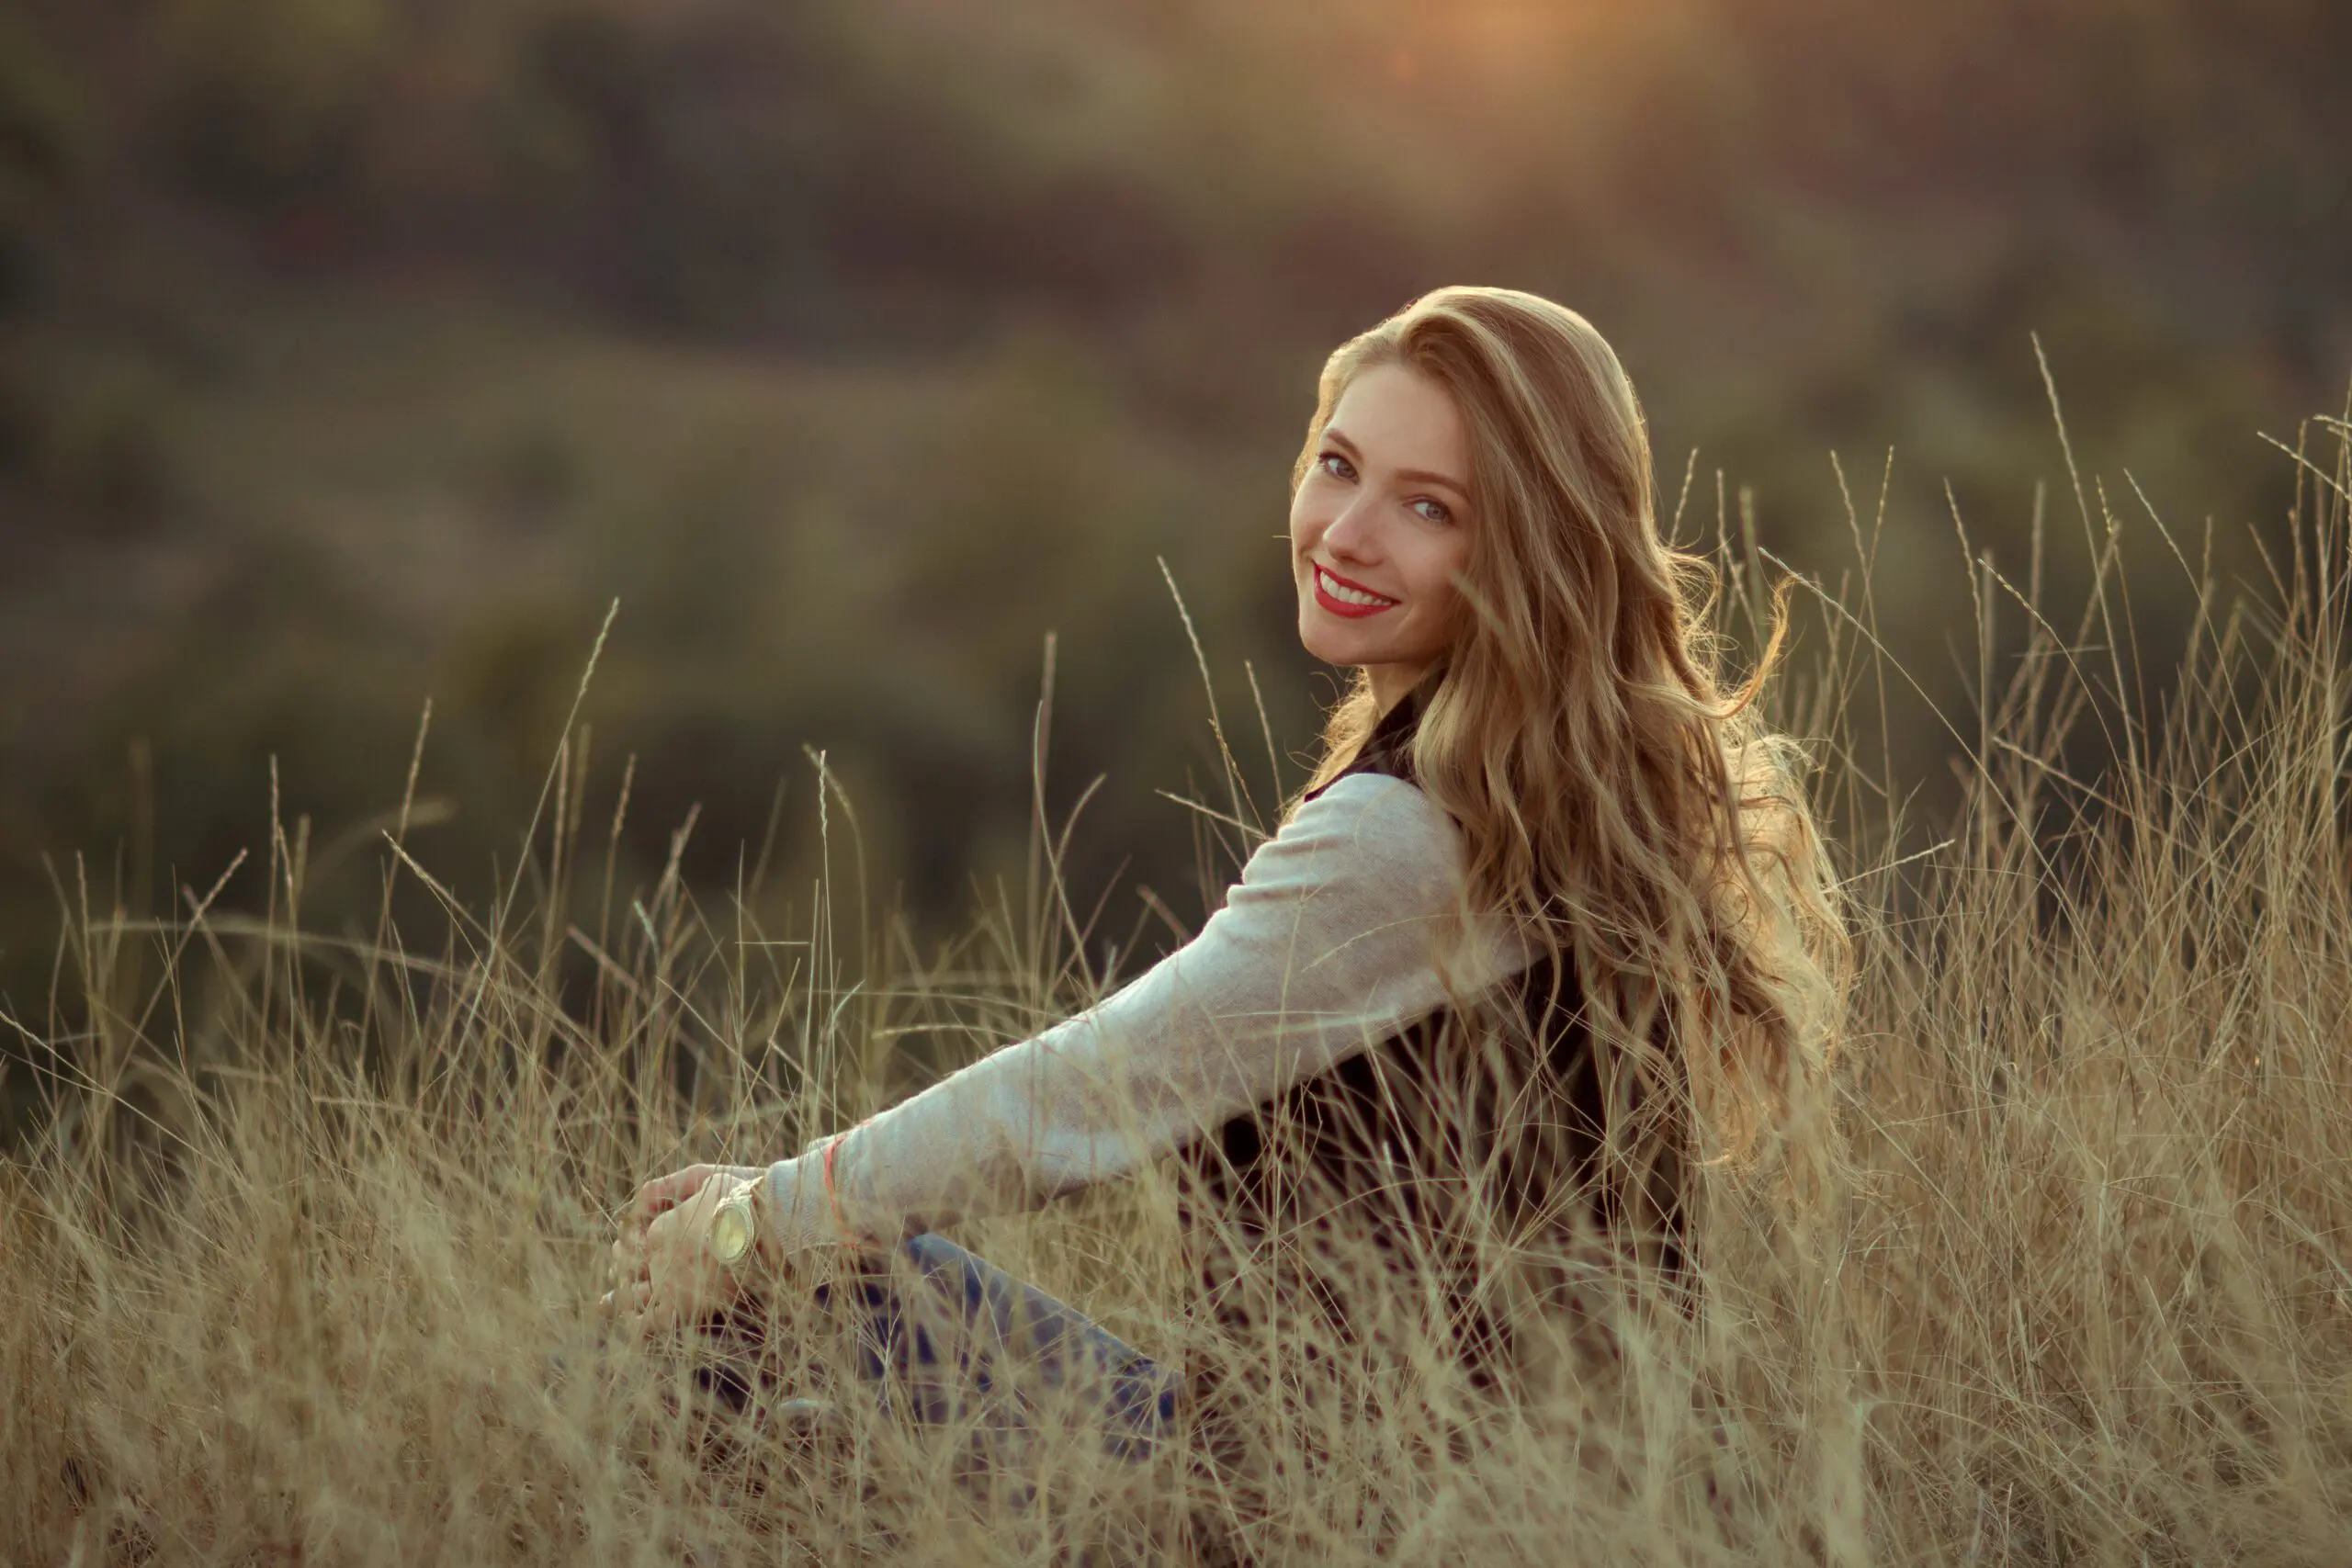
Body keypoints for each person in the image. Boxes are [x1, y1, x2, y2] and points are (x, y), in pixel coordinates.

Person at [602, 285, 1848, 1537]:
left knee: (753, 1301)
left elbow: (1072, 1098)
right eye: (1337, 467)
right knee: (823, 1279)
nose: (1347, 533)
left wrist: (753, 1220)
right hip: (1487, 1498)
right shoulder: (1557, 797)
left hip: (1331, 1518)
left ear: (1533, 548)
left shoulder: (1409, 832)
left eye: (1430, 509)